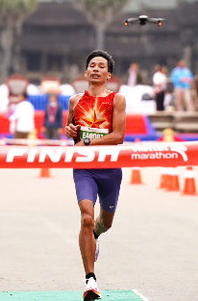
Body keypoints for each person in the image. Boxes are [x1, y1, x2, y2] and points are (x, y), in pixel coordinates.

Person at [64, 50, 126, 301]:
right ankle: (91, 280)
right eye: (92, 65)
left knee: (104, 222)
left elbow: (118, 136)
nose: (96, 69)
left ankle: (96, 237)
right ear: (86, 72)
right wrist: (70, 132)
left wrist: (86, 141)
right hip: (84, 168)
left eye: (101, 66)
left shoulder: (117, 99)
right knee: (86, 218)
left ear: (108, 74)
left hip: (110, 168)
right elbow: (72, 132)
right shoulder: (74, 101)